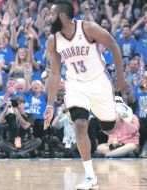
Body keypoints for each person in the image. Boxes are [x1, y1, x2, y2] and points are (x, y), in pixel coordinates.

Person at [43, 1, 129, 189]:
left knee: (108, 129)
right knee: (80, 125)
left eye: (52, 14)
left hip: (99, 82)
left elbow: (113, 45)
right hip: (75, 84)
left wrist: (120, 79)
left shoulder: (88, 28)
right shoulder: (53, 40)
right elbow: (55, 73)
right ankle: (90, 176)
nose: (49, 17)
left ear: (63, 15)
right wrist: (49, 105)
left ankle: (118, 108)